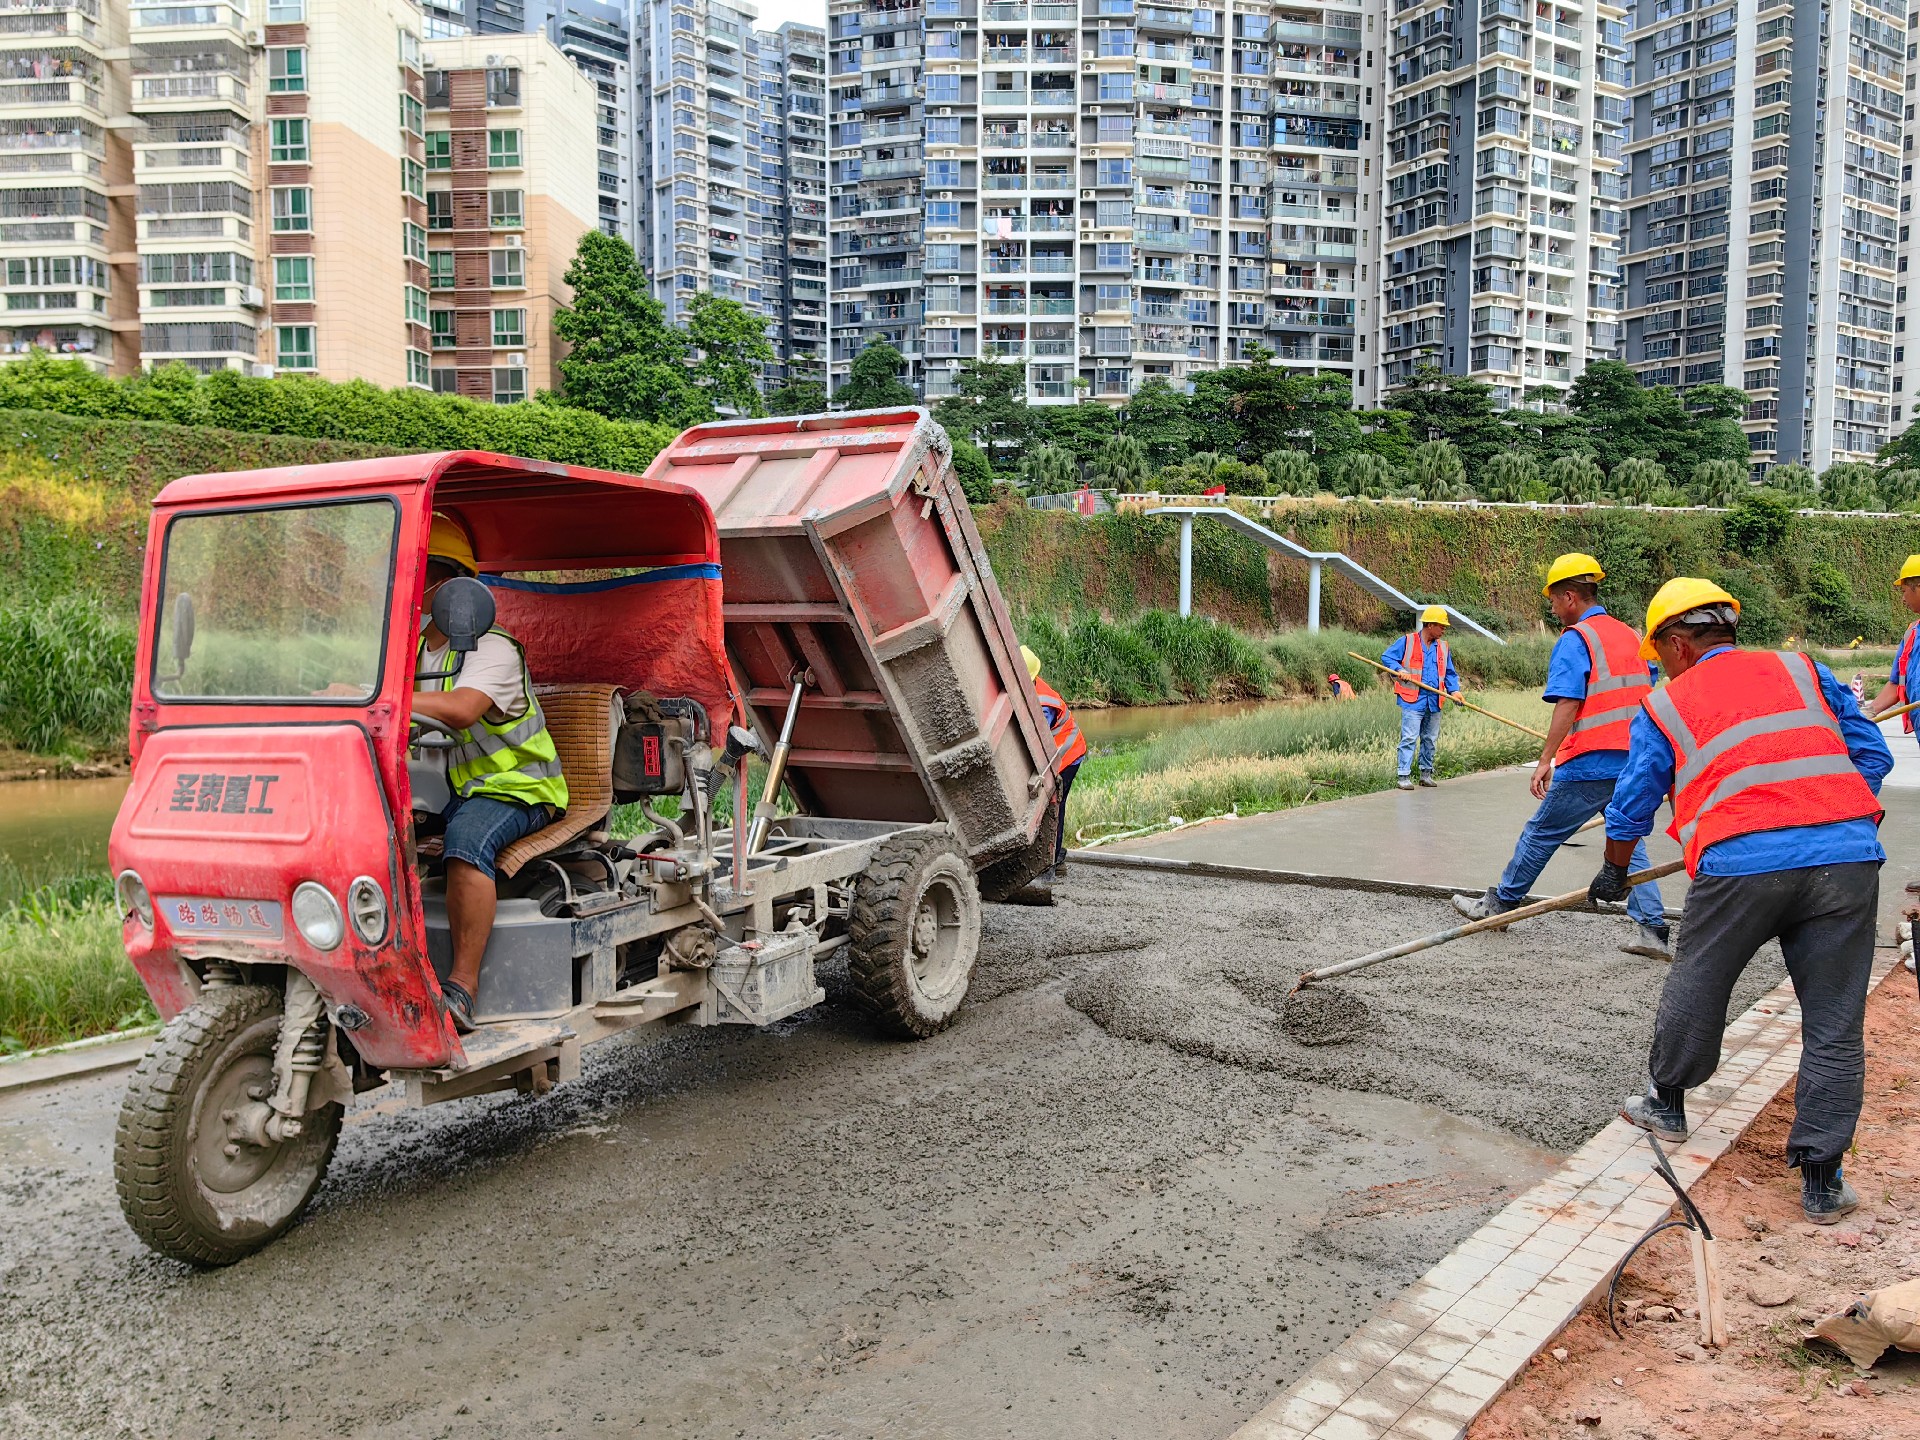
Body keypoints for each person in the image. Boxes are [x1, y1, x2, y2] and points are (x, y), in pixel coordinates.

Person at [1596, 578, 1891, 1225]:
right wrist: (1840, 815)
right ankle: (1822, 1183)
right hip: (1846, 860)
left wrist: (1615, 874)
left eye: (1659, 652)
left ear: (1676, 642)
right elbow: (1871, 754)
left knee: (1699, 979)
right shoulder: (1802, 669)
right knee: (1835, 1021)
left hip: (1738, 864)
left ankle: (1667, 1105)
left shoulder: (1666, 705)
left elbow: (1630, 809)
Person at [1451, 554, 1670, 959]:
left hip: (1590, 760)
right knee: (1628, 840)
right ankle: (1652, 930)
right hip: (1636, 758)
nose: (1552, 609)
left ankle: (1499, 906)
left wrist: (1545, 759)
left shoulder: (1577, 639)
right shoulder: (1629, 635)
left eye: (1553, 600)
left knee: (1542, 833)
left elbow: (1568, 704)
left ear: (1570, 596)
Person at [413, 512, 568, 1032]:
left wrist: (377, 699)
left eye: (420, 574)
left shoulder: (491, 648)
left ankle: (461, 989)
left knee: (466, 839)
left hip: (519, 787)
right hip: (453, 788)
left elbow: (459, 710)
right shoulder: (416, 650)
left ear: (452, 588)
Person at [1381, 605, 1461, 789]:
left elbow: (1449, 673)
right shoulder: (1407, 641)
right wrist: (1400, 670)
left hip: (1434, 701)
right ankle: (1403, 776)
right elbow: (1387, 657)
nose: (1444, 630)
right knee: (1409, 738)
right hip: (1413, 700)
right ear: (1430, 625)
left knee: (1430, 739)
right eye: (1441, 626)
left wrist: (1455, 691)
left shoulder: (1443, 647)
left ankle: (1426, 774)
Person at [1024, 645, 1086, 882]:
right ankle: (1055, 854)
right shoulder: (1034, 689)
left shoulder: (1043, 704)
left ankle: (1051, 863)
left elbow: (1037, 737)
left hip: (1068, 757)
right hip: (1058, 755)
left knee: (1053, 806)